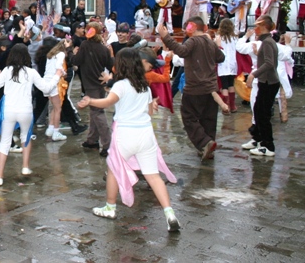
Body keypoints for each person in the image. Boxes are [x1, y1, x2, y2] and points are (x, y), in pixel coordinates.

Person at [79, 48, 180, 232]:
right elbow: (149, 112)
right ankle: (170, 214)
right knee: (153, 175)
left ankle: (110, 207)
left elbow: (108, 102)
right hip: (146, 135)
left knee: (113, 170)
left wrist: (90, 101)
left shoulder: (121, 85)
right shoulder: (145, 86)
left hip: (125, 134)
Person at [0, 44, 63, 186]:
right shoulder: (31, 72)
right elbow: (46, 88)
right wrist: (56, 76)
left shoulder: (6, 71)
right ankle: (25, 167)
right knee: (26, 137)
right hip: (26, 111)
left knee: (5, 142)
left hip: (9, 111)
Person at [158, 17, 225, 160]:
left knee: (189, 118)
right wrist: (216, 46)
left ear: (193, 26)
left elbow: (181, 51)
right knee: (209, 119)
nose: (185, 30)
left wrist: (166, 37)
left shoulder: (193, 41)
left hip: (195, 88)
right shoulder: (210, 42)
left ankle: (205, 142)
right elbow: (220, 57)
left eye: (187, 26)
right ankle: (207, 148)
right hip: (211, 89)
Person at [67, 22, 113, 157]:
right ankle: (92, 140)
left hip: (90, 84)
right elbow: (111, 64)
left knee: (97, 114)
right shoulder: (103, 48)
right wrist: (109, 76)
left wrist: (70, 51)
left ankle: (107, 145)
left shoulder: (85, 45)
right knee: (94, 113)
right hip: (99, 84)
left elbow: (76, 61)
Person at [243, 16, 281, 156]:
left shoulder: (267, 42)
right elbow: (267, 59)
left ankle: (268, 145)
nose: (255, 29)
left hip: (269, 83)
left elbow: (269, 63)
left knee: (262, 114)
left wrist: (254, 74)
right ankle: (258, 139)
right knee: (258, 111)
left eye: (257, 26)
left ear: (264, 26)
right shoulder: (266, 42)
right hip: (266, 82)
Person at [44, 39, 70, 142]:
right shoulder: (61, 54)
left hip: (46, 81)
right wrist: (63, 73)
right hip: (53, 82)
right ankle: (56, 132)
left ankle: (50, 128)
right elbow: (58, 66)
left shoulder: (50, 55)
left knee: (54, 108)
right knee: (58, 108)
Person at [214, 18, 239, 113]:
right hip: (233, 64)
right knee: (231, 84)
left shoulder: (219, 38)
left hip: (223, 64)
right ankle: (232, 106)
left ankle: (226, 106)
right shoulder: (235, 38)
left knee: (224, 85)